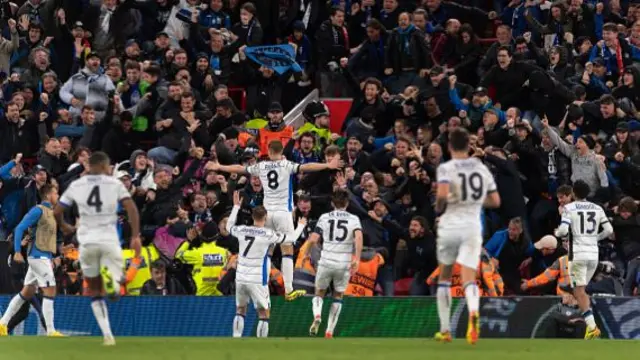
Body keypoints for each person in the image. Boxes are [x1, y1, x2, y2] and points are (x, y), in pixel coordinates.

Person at [208, 140, 343, 301]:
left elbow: (240, 169)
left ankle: (263, 288)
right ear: (281, 152)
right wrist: (327, 166)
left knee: (267, 252)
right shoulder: (286, 165)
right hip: (283, 213)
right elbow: (307, 167)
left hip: (267, 214)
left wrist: (220, 167)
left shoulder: (262, 166)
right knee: (287, 251)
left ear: (269, 151)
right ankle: (288, 289)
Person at [53, 152, 141, 346]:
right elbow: (131, 208)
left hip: (87, 242)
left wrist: (65, 226)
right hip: (109, 240)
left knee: (94, 291)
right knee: (115, 280)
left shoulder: (77, 185)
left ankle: (108, 336)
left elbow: (57, 211)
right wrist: (135, 236)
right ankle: (112, 281)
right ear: (103, 166)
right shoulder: (114, 184)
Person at [433, 127, 501, 345]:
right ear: (468, 145)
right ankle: (474, 312)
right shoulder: (480, 169)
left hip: (450, 225)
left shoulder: (446, 168)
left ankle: (445, 330)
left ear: (450, 146)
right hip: (472, 227)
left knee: (444, 277)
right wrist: (474, 201)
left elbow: (442, 197)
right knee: (469, 277)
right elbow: (495, 201)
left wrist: (441, 204)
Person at [226, 191, 306, 338]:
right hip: (257, 278)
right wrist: (300, 225)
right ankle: (261, 344)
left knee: (240, 309)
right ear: (266, 217)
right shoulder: (268, 234)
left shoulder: (242, 229)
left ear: (252, 217)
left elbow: (228, 226)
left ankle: (235, 339)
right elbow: (292, 238)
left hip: (241, 276)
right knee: (264, 312)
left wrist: (236, 207)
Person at [0, 184, 63, 337]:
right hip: (38, 257)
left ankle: (2, 324)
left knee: (26, 292)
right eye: (55, 193)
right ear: (48, 195)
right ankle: (50, 330)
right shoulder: (38, 210)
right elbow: (20, 227)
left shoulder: (50, 213)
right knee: (50, 289)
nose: (58, 195)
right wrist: (16, 251)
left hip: (43, 256)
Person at [554, 180, 613, 339]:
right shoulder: (597, 208)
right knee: (579, 290)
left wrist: (557, 233)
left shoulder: (569, 208)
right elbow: (609, 230)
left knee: (578, 291)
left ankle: (592, 328)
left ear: (573, 193)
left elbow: (563, 230)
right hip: (593, 255)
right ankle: (590, 325)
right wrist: (595, 238)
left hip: (578, 254)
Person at [307, 189, 363, 338]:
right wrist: (356, 259)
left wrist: (306, 253)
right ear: (347, 203)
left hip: (326, 260)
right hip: (343, 263)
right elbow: (358, 238)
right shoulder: (354, 219)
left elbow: (313, 239)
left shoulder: (324, 217)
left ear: (332, 203)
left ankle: (317, 315)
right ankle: (329, 331)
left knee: (319, 292)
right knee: (338, 295)